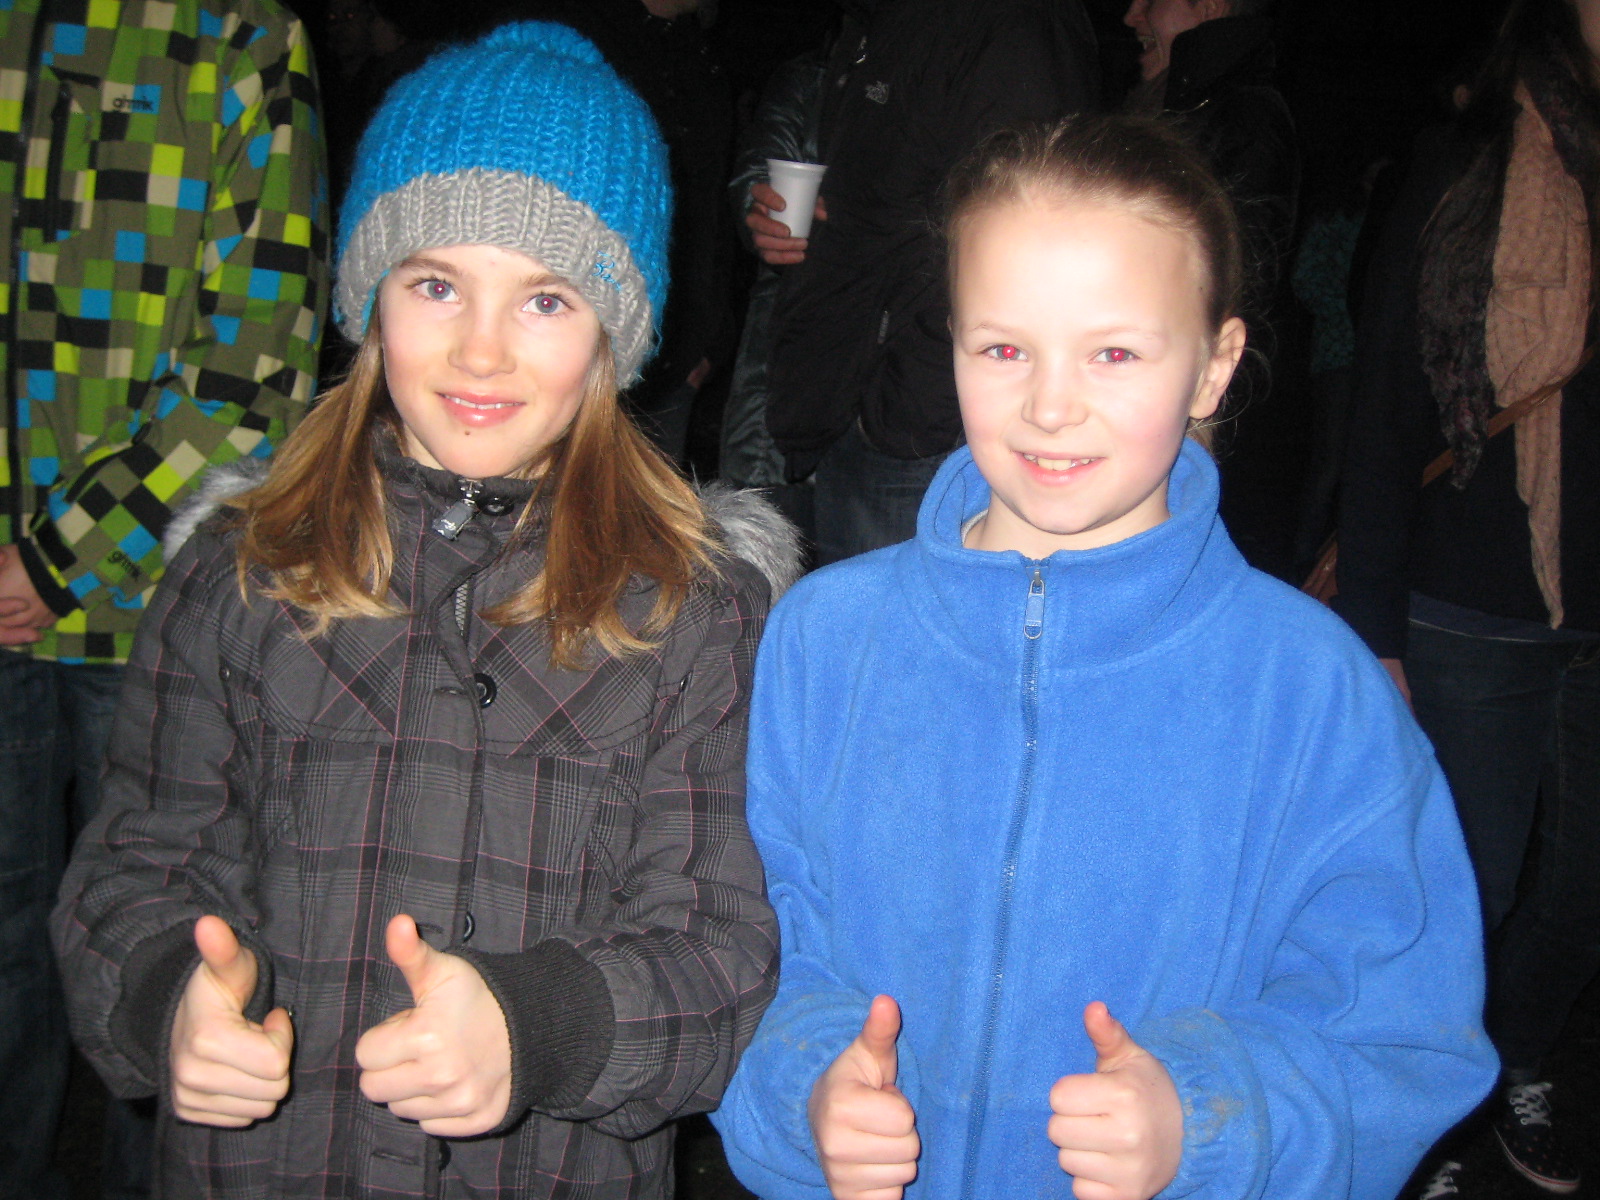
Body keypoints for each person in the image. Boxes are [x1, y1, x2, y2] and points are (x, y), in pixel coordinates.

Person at [50, 23, 791, 1198]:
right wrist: (165, 995)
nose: (479, 351)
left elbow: (721, 950)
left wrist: (538, 1028)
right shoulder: (240, 573)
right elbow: (135, 863)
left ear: (614, 331)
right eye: (435, 284)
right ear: (369, 297)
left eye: (545, 299)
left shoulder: (695, 615)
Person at [711, 114, 1497, 1200]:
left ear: (1214, 368)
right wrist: (808, 1087)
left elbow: (1403, 1035)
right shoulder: (824, 639)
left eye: (1115, 352)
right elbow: (746, 938)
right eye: (1003, 348)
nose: (1049, 405)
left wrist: (1206, 1121)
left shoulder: (1313, 690)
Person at [0, 2, 328, 1196]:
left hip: (152, 605)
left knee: (185, 969)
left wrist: (57, 557)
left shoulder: (233, 32)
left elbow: (257, 369)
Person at [1335, 1, 1600, 1194]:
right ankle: (1423, 1122)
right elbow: (1385, 402)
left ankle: (1512, 1054)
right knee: (1455, 898)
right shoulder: (1470, 161)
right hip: (1469, 600)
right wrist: (1374, 624)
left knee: (1582, 895)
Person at [760, 0, 1100, 566]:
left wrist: (901, 411)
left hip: (915, 427)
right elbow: (882, 210)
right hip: (848, 397)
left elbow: (1024, 241)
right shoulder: (879, 22)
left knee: (898, 621)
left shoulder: (1012, 25)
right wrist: (799, 230)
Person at [1122, 0, 1303, 580]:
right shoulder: (1183, 101)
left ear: (1211, 5)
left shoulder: (1241, 115)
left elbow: (1235, 285)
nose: (1131, 15)